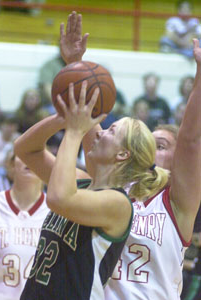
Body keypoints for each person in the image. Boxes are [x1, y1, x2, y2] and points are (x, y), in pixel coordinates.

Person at [59, 11, 201, 300]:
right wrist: (75, 66)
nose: (149, 148)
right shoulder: (110, 183)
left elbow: (190, 140)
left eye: (160, 146)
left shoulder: (177, 203)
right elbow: (92, 130)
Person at [0, 152, 49, 300]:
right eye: (25, 153)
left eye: (37, 153)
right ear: (11, 164)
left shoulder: (57, 212)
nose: (30, 158)